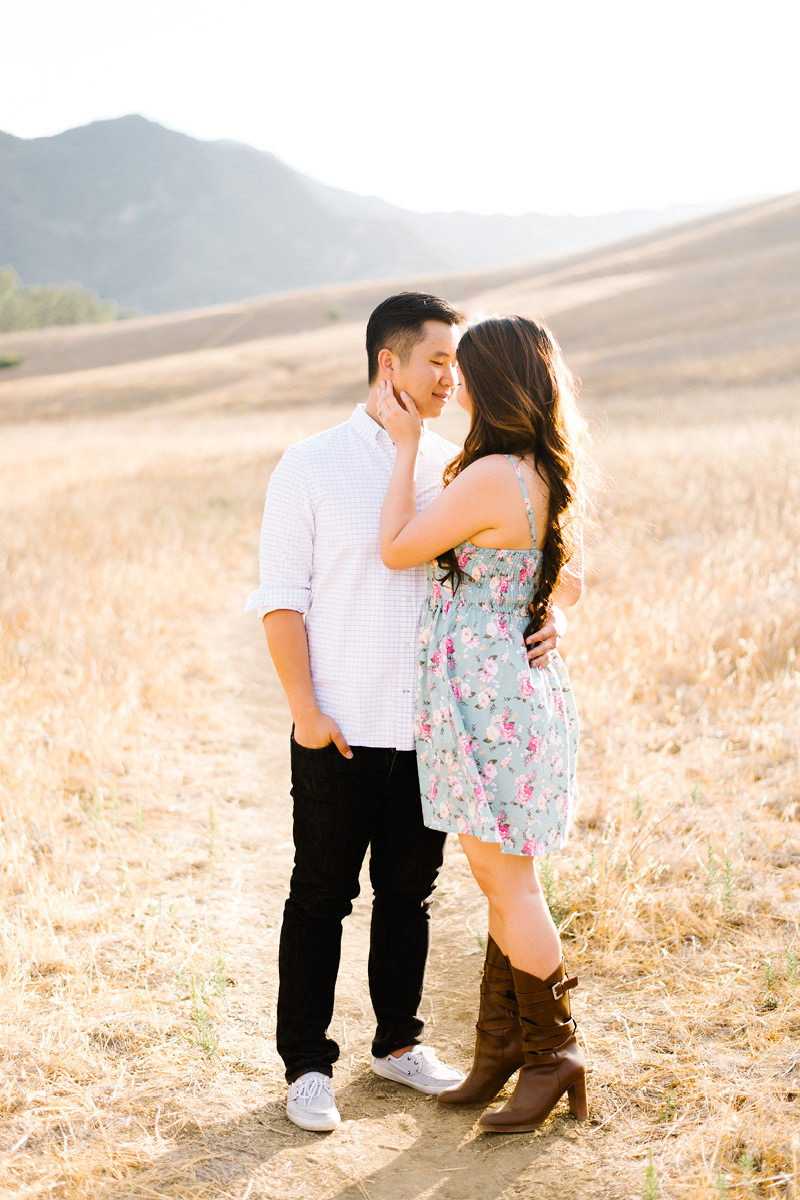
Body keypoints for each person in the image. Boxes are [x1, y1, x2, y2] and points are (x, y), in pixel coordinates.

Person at [245, 293, 567, 1133]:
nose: (450, 379)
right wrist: (304, 710)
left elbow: (530, 557)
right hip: (340, 726)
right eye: (437, 363)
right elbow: (281, 600)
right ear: (390, 364)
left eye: (459, 365)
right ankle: (308, 1066)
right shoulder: (309, 465)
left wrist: (550, 615)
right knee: (319, 895)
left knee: (409, 895)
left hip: (435, 728)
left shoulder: (458, 466)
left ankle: (398, 1045)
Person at [378, 313, 588, 1134]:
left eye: (461, 368)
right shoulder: (530, 468)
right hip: (506, 699)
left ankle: (554, 1053)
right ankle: (503, 1048)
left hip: (487, 704)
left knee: (509, 883)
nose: (450, 380)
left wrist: (402, 449)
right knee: (505, 882)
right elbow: (570, 583)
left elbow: (397, 547)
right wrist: (554, 617)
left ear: (489, 380)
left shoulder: (495, 472)